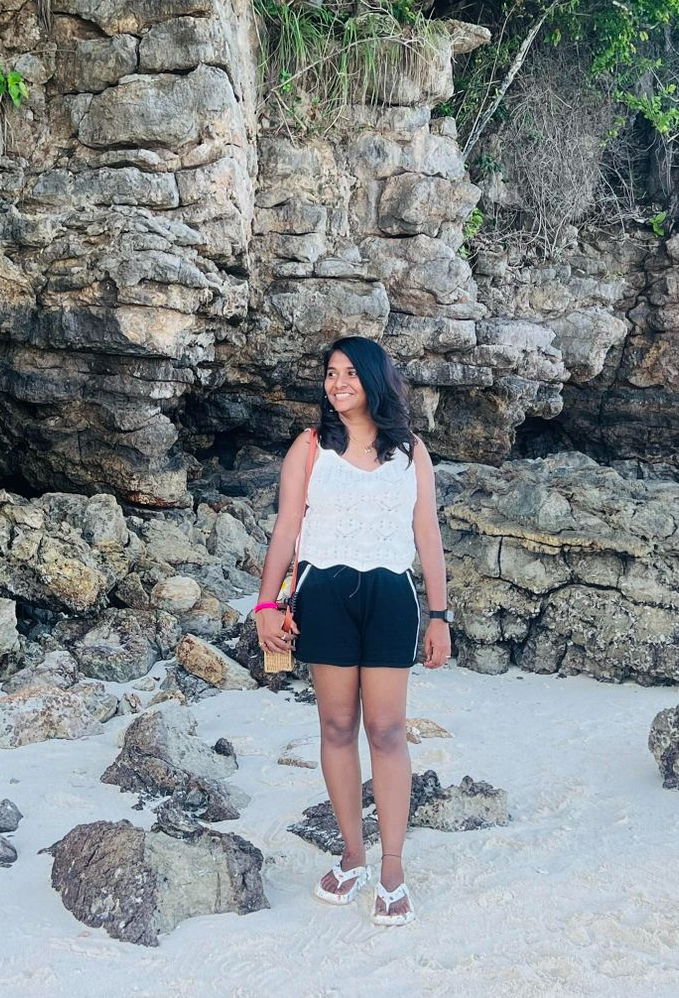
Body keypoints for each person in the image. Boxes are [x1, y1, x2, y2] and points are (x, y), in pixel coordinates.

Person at [253, 336, 454, 927]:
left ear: (373, 379)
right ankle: (352, 854)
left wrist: (439, 616)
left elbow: (428, 534)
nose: (337, 383)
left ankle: (392, 868)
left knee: (387, 731)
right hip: (324, 595)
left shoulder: (411, 451)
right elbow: (286, 528)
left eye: (349, 373)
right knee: (337, 726)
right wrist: (265, 604)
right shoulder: (310, 446)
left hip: (391, 597)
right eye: (330, 373)